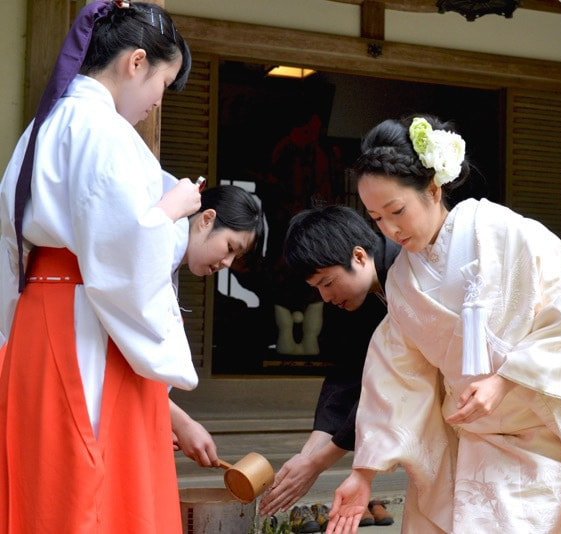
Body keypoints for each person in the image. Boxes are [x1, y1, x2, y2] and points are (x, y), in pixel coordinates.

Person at [325, 115, 561, 533]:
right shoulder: (403, 280)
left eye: (396, 210)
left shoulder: (507, 233)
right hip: (478, 442)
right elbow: (395, 376)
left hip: (546, 430)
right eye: (376, 218)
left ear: (434, 190)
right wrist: (363, 473)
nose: (390, 228)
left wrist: (505, 380)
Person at [0, 2, 202, 531]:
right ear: (136, 62)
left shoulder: (43, 126)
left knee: (45, 479)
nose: (157, 102)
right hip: (88, 320)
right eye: (163, 82)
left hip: (40, 316)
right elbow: (122, 250)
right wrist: (173, 211)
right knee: (95, 481)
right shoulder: (102, 130)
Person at [258, 205, 399, 529]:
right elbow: (348, 374)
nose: (325, 296)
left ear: (359, 256)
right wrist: (309, 455)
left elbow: (389, 384)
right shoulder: (356, 295)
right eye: (317, 287)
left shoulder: (408, 273)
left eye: (327, 282)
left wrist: (320, 461)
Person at [169, 184, 266, 467]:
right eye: (229, 248)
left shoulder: (169, 264)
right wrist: (182, 423)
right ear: (206, 219)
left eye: (236, 257)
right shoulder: (154, 256)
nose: (227, 262)